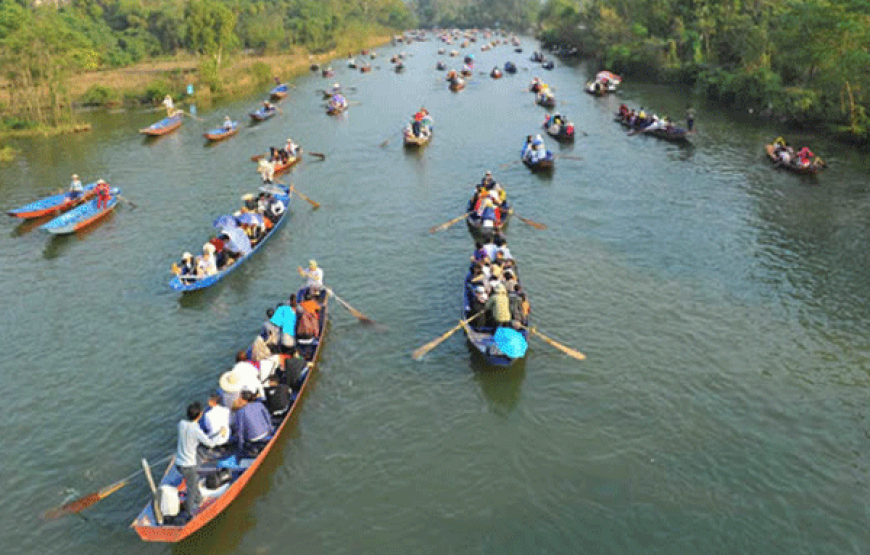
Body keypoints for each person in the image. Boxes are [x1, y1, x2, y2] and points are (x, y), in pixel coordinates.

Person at [175, 402, 217, 517]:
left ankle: (199, 499)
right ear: (200, 415)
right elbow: (211, 444)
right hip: (189, 466)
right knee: (191, 489)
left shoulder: (181, 424)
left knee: (192, 482)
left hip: (178, 464)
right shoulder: (197, 430)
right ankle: (189, 513)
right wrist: (219, 434)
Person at [232, 390, 273, 457]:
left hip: (253, 438)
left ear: (243, 399)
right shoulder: (260, 404)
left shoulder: (240, 412)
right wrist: (271, 430)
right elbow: (268, 418)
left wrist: (240, 446)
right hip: (266, 432)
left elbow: (240, 431)